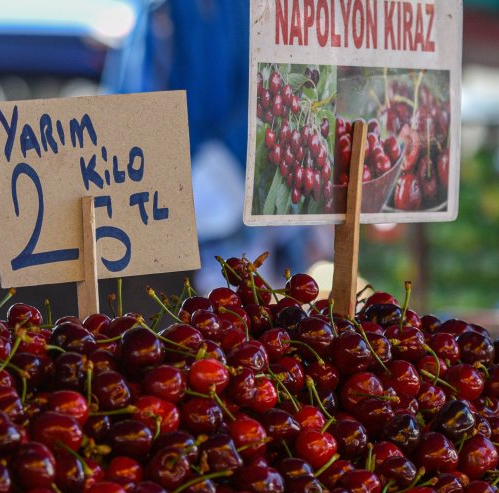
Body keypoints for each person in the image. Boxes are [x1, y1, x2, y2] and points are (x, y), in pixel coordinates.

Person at [103, 0, 330, 291]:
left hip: (230, 201)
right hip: (176, 215)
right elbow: (128, 114)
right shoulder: (155, 14)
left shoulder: (262, 14)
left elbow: (281, 97)